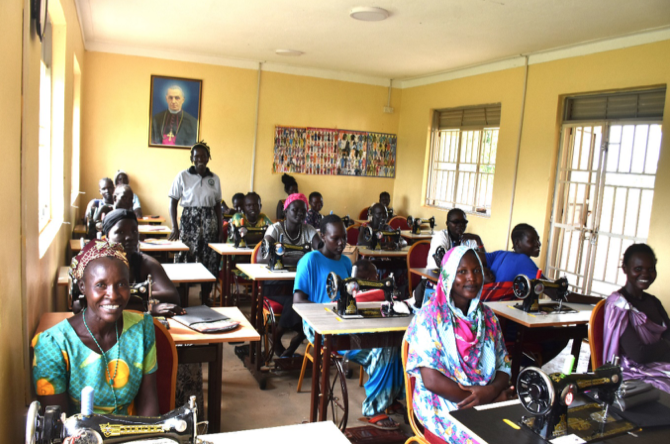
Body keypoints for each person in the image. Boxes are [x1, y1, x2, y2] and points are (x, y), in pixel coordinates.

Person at [32, 239, 159, 416]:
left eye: (121, 284)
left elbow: (148, 401)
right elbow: (56, 424)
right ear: (82, 287)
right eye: (101, 285)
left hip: (132, 436)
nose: (113, 295)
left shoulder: (142, 328)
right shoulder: (53, 344)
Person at [405, 246, 513, 442]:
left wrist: (492, 390)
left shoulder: (488, 317)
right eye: (461, 272)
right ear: (447, 276)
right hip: (444, 407)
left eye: (476, 270)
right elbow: (431, 380)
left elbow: (503, 365)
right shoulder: (430, 317)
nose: (471, 278)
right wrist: (486, 401)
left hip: (485, 399)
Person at [343, 259, 405, 430]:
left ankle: (390, 397)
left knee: (398, 343)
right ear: (372, 277)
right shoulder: (353, 295)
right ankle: (373, 408)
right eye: (375, 277)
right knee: (385, 348)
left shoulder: (369, 294)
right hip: (345, 337)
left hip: (366, 332)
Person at [603, 243, 670, 392]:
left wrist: (665, 345)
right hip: (633, 373)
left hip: (660, 365)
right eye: (638, 269)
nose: (645, 274)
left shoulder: (653, 302)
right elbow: (639, 354)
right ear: (625, 269)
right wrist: (666, 345)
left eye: (650, 269)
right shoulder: (618, 306)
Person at [262, 193, 319, 357]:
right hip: (276, 285)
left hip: (299, 283)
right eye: (295, 210)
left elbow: (320, 250)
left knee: (316, 301)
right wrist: (300, 261)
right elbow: (263, 256)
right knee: (294, 301)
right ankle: (280, 335)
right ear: (286, 211)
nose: (299, 214)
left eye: (303, 211)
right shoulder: (275, 229)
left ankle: (299, 336)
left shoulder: (308, 230)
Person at [168, 142, 223, 305]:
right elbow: (173, 202)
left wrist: (220, 230)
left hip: (209, 222)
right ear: (192, 158)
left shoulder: (214, 178)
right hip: (189, 222)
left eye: (203, 156)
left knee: (209, 261)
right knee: (186, 259)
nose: (200, 159)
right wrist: (174, 227)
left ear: (208, 158)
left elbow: (218, 206)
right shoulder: (182, 176)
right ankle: (183, 299)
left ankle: (205, 299)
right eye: (196, 156)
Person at [102, 209, 184, 317]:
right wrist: (147, 307)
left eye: (134, 231)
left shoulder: (146, 263)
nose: (130, 237)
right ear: (107, 237)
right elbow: (81, 304)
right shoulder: (96, 266)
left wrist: (122, 299)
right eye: (120, 232)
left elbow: (172, 296)